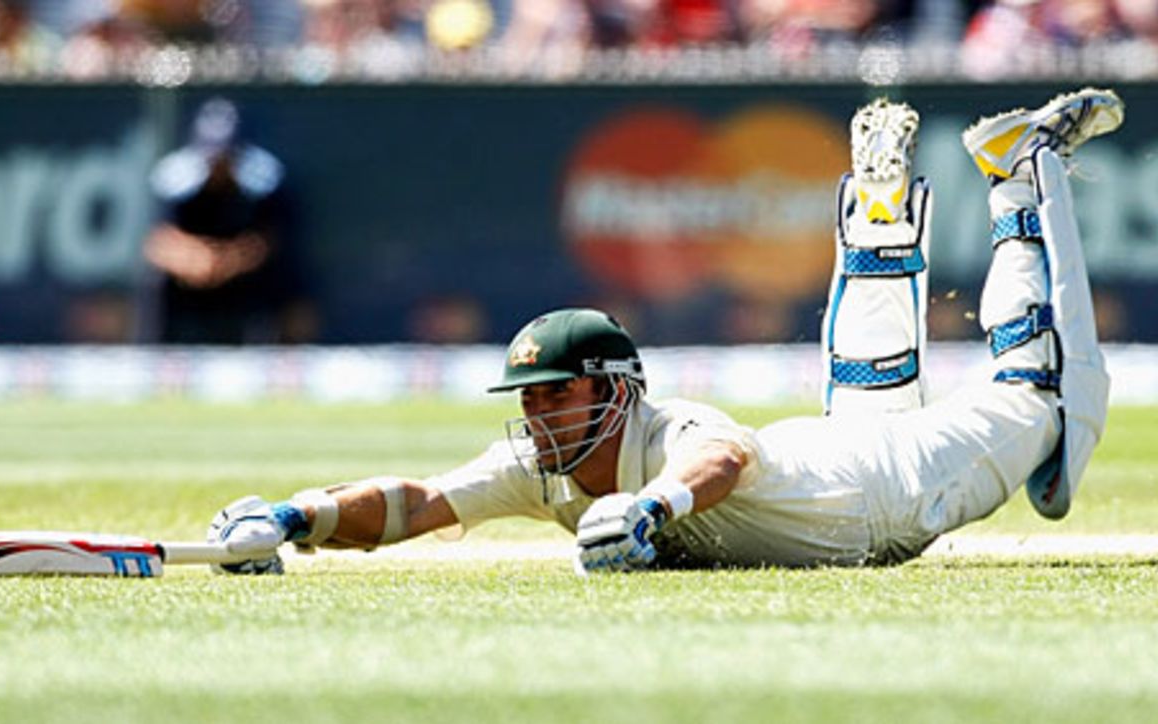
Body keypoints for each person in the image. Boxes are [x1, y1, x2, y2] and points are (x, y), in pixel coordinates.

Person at [208, 87, 1122, 573]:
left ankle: (1016, 170)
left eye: (555, 396)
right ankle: (880, 214)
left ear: (615, 390)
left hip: (886, 491)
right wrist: (293, 517)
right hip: (842, 463)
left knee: (1037, 392)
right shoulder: (544, 466)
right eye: (528, 402)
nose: (537, 420)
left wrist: (648, 509)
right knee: (872, 368)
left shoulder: (674, 430)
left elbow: (720, 464)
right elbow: (414, 504)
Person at [144, 97, 308, 345]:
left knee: (281, 282)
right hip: (187, 287)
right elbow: (157, 242)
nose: (218, 165)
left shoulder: (263, 181)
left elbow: (269, 240)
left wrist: (227, 262)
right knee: (159, 283)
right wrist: (195, 260)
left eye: (226, 157)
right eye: (212, 157)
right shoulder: (175, 179)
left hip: (244, 286)